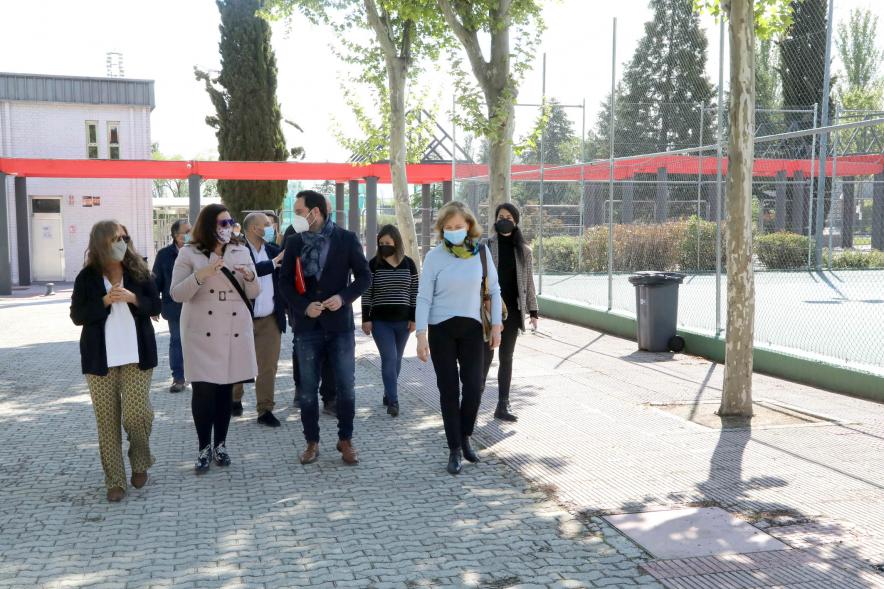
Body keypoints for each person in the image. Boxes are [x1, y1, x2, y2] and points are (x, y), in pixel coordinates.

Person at [70, 220, 161, 502]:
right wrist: (105, 301)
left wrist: (134, 298)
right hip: (100, 360)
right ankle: (114, 481)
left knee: (137, 415)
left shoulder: (140, 271)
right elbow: (77, 315)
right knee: (107, 423)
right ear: (100, 244)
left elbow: (156, 306)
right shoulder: (87, 278)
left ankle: (140, 460)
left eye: (124, 237)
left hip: (137, 356)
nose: (121, 243)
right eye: (114, 239)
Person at [279, 190, 371, 466]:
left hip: (340, 326)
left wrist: (343, 297)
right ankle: (312, 442)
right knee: (307, 390)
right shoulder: (293, 241)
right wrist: (303, 306)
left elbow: (365, 276)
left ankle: (345, 440)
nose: (296, 216)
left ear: (315, 212)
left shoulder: (346, 238)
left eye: (298, 211)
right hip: (307, 327)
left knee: (346, 387)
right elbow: (284, 282)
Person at [170, 204, 259, 473]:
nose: (227, 227)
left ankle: (220, 445)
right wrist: (202, 274)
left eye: (230, 222)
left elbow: (254, 292)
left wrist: (250, 276)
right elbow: (176, 294)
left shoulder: (241, 250)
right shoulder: (189, 253)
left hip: (233, 329)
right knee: (203, 392)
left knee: (224, 393)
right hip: (201, 332)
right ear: (208, 225)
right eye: (222, 223)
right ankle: (203, 447)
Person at [416, 201, 502, 475]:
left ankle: (466, 435)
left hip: (473, 329)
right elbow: (423, 297)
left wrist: (497, 325)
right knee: (449, 389)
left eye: (459, 227)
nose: (454, 231)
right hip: (441, 329)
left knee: (474, 386)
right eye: (448, 227)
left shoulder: (482, 253)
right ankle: (454, 448)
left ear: (469, 226)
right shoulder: (434, 257)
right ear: (442, 230)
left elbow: (495, 291)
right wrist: (421, 335)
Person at [482, 203, 539, 422]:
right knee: (486, 357)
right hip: (488, 310)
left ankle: (503, 404)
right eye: (500, 216)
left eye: (508, 217)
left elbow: (529, 283)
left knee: (507, 357)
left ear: (515, 222)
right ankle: (473, 399)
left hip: (513, 312)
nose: (503, 219)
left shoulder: (524, 250)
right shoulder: (485, 246)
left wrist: (533, 310)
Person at [231, 212, 286, 427]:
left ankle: (265, 410)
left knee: (268, 367)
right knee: (238, 362)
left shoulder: (274, 251)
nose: (271, 227)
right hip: (242, 319)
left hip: (271, 319)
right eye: (266, 224)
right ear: (254, 228)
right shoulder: (237, 252)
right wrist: (272, 263)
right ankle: (235, 398)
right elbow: (248, 273)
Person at [283, 200, 337, 416]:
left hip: (331, 310)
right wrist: (298, 305)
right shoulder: (293, 233)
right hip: (302, 308)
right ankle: (302, 389)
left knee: (331, 355)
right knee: (300, 350)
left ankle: (330, 397)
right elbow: (284, 272)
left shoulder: (339, 236)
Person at [361, 225, 418, 417]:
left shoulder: (409, 264)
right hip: (380, 322)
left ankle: (388, 392)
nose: (384, 245)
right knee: (389, 358)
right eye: (381, 243)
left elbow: (414, 293)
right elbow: (367, 294)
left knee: (398, 360)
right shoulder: (373, 265)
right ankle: (394, 401)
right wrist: (366, 319)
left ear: (397, 242)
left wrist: (414, 318)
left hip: (403, 322)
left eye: (388, 242)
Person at [152, 219, 191, 393]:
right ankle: (178, 378)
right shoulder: (164, 255)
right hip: (174, 306)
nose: (190, 234)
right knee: (177, 341)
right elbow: (156, 282)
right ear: (176, 236)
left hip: (197, 306)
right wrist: (154, 306)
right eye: (186, 231)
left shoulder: (199, 252)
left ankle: (198, 375)